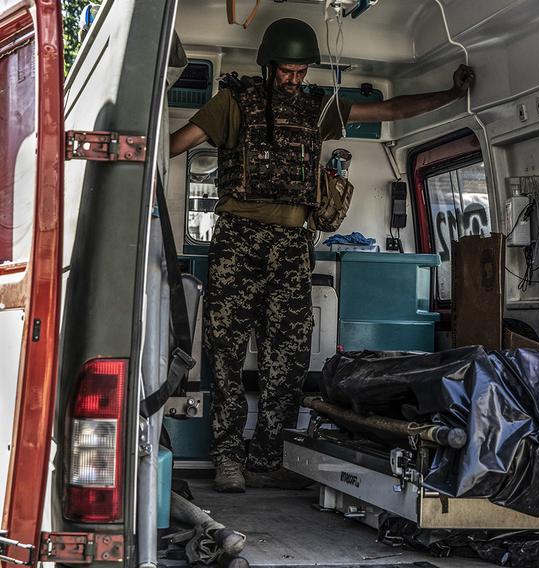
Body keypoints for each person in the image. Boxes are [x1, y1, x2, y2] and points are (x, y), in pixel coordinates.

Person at [169, 17, 475, 493]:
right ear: (269, 68)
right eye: (287, 72)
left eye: (300, 72)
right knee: (226, 352)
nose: (294, 80)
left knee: (288, 355)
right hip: (238, 239)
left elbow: (389, 110)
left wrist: (449, 96)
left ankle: (269, 455)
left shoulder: (318, 108)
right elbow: (179, 142)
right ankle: (228, 456)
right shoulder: (233, 103)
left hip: (292, 244)